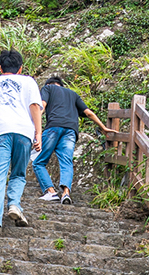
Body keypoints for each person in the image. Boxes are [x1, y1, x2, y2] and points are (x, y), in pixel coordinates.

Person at [0, 49, 43, 237]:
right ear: (20, 68)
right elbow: (35, 106)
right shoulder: (28, 82)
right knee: (18, 174)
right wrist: (39, 134)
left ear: (0, 67)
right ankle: (14, 205)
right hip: (24, 133)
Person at [31, 75, 108, 205]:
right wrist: (104, 128)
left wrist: (34, 126)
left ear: (49, 84)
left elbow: (41, 107)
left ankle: (51, 192)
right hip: (71, 131)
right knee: (66, 162)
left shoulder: (48, 89)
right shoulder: (73, 94)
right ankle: (66, 193)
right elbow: (89, 113)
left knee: (39, 162)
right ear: (61, 85)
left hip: (54, 128)